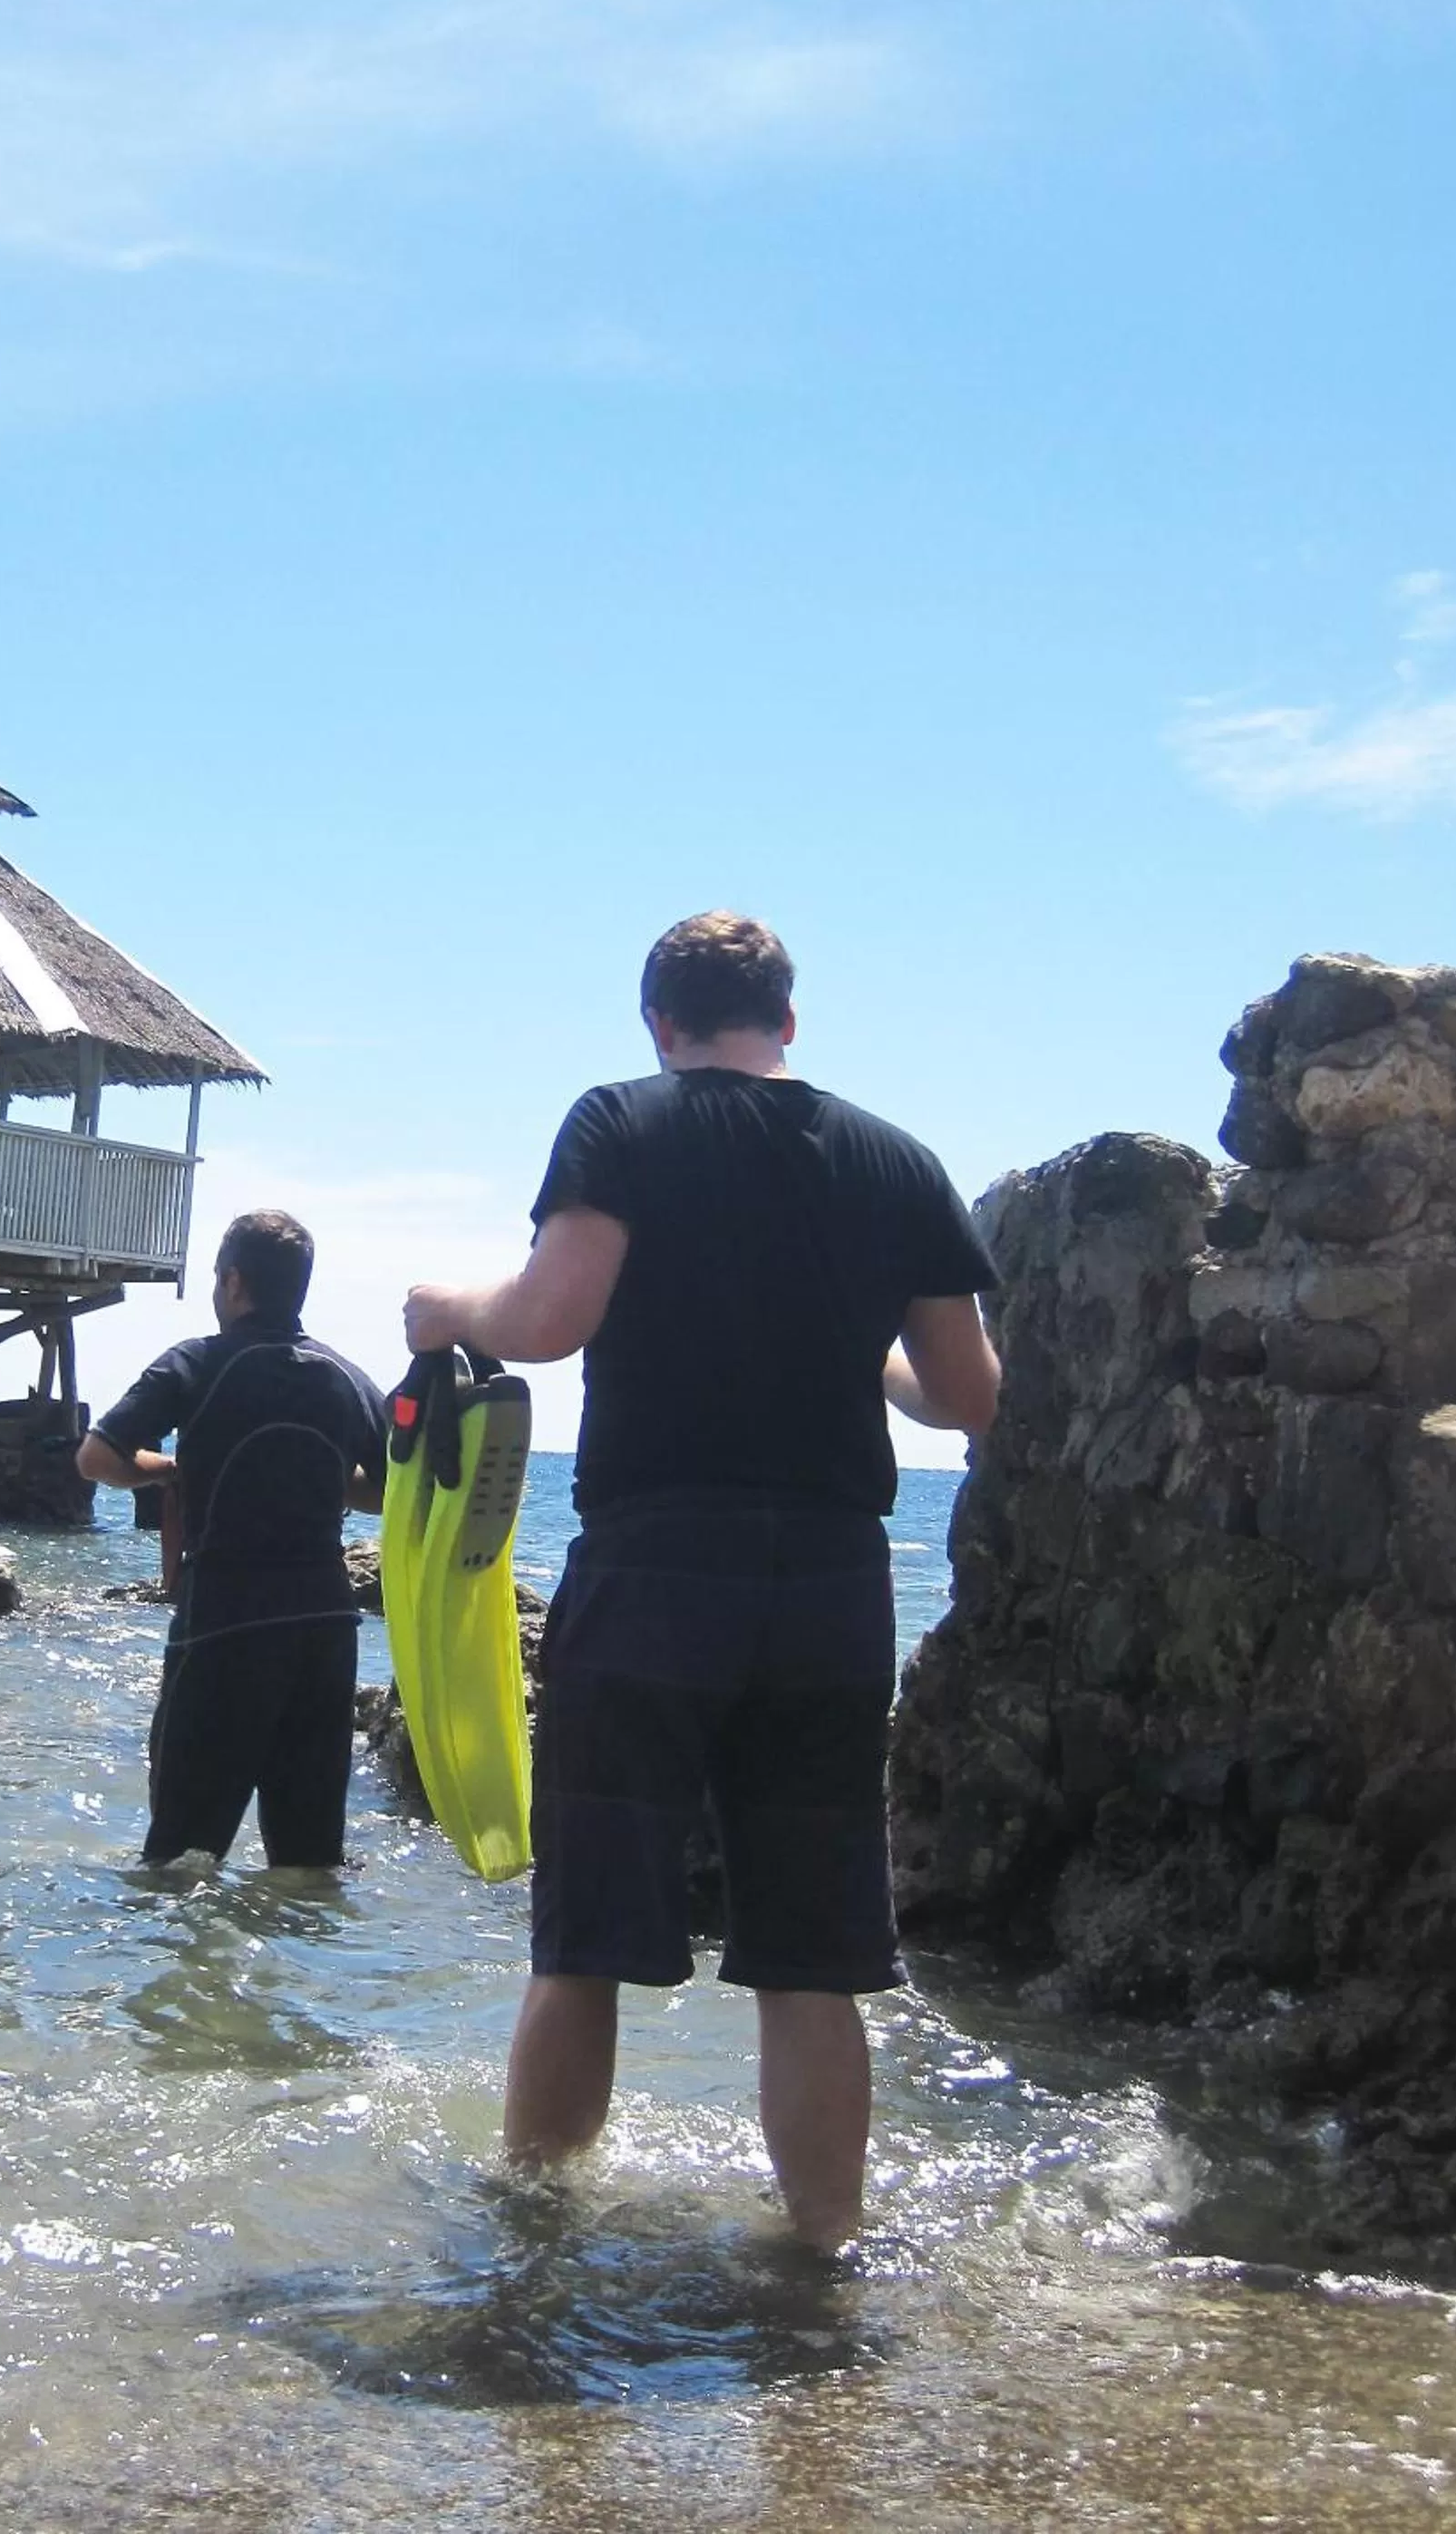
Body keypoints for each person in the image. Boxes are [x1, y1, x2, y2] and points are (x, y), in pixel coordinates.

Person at [402, 911, 1000, 2249]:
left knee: (587, 1940)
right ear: (788, 1019)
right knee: (812, 1958)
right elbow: (970, 1399)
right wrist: (862, 1362)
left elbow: (550, 1320)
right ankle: (824, 2250)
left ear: (657, 1023)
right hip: (834, 1587)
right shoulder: (898, 1162)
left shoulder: (624, 1121)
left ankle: (540, 2239)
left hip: (659, 1564)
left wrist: (451, 1306)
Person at [79, 1209, 391, 1869]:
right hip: (325, 1630)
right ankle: (304, 1971)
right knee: (309, 1864)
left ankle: (190, 1973)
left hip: (226, 1624)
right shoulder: (348, 1378)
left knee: (180, 1860)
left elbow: (98, 1456)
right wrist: (322, 1475)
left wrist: (166, 1469)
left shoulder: (198, 1362)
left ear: (234, 1282)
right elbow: (390, 1492)